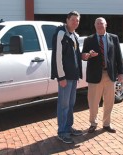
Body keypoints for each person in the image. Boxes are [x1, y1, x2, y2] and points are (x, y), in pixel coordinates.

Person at [81, 17, 123, 133]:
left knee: (109, 101)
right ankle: (93, 123)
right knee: (93, 101)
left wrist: (120, 73)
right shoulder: (89, 40)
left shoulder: (113, 38)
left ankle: (106, 124)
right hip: (95, 75)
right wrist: (88, 55)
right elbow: (83, 55)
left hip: (109, 74)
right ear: (94, 26)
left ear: (106, 25)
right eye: (97, 24)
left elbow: (118, 57)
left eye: (102, 23)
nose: (99, 25)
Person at [51, 11, 83, 144]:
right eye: (73, 20)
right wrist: (61, 77)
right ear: (67, 20)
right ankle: (62, 132)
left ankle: (68, 128)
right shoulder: (61, 33)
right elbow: (57, 56)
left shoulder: (74, 35)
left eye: (77, 20)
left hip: (73, 76)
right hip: (65, 77)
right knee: (63, 105)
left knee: (70, 104)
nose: (75, 22)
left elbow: (74, 56)